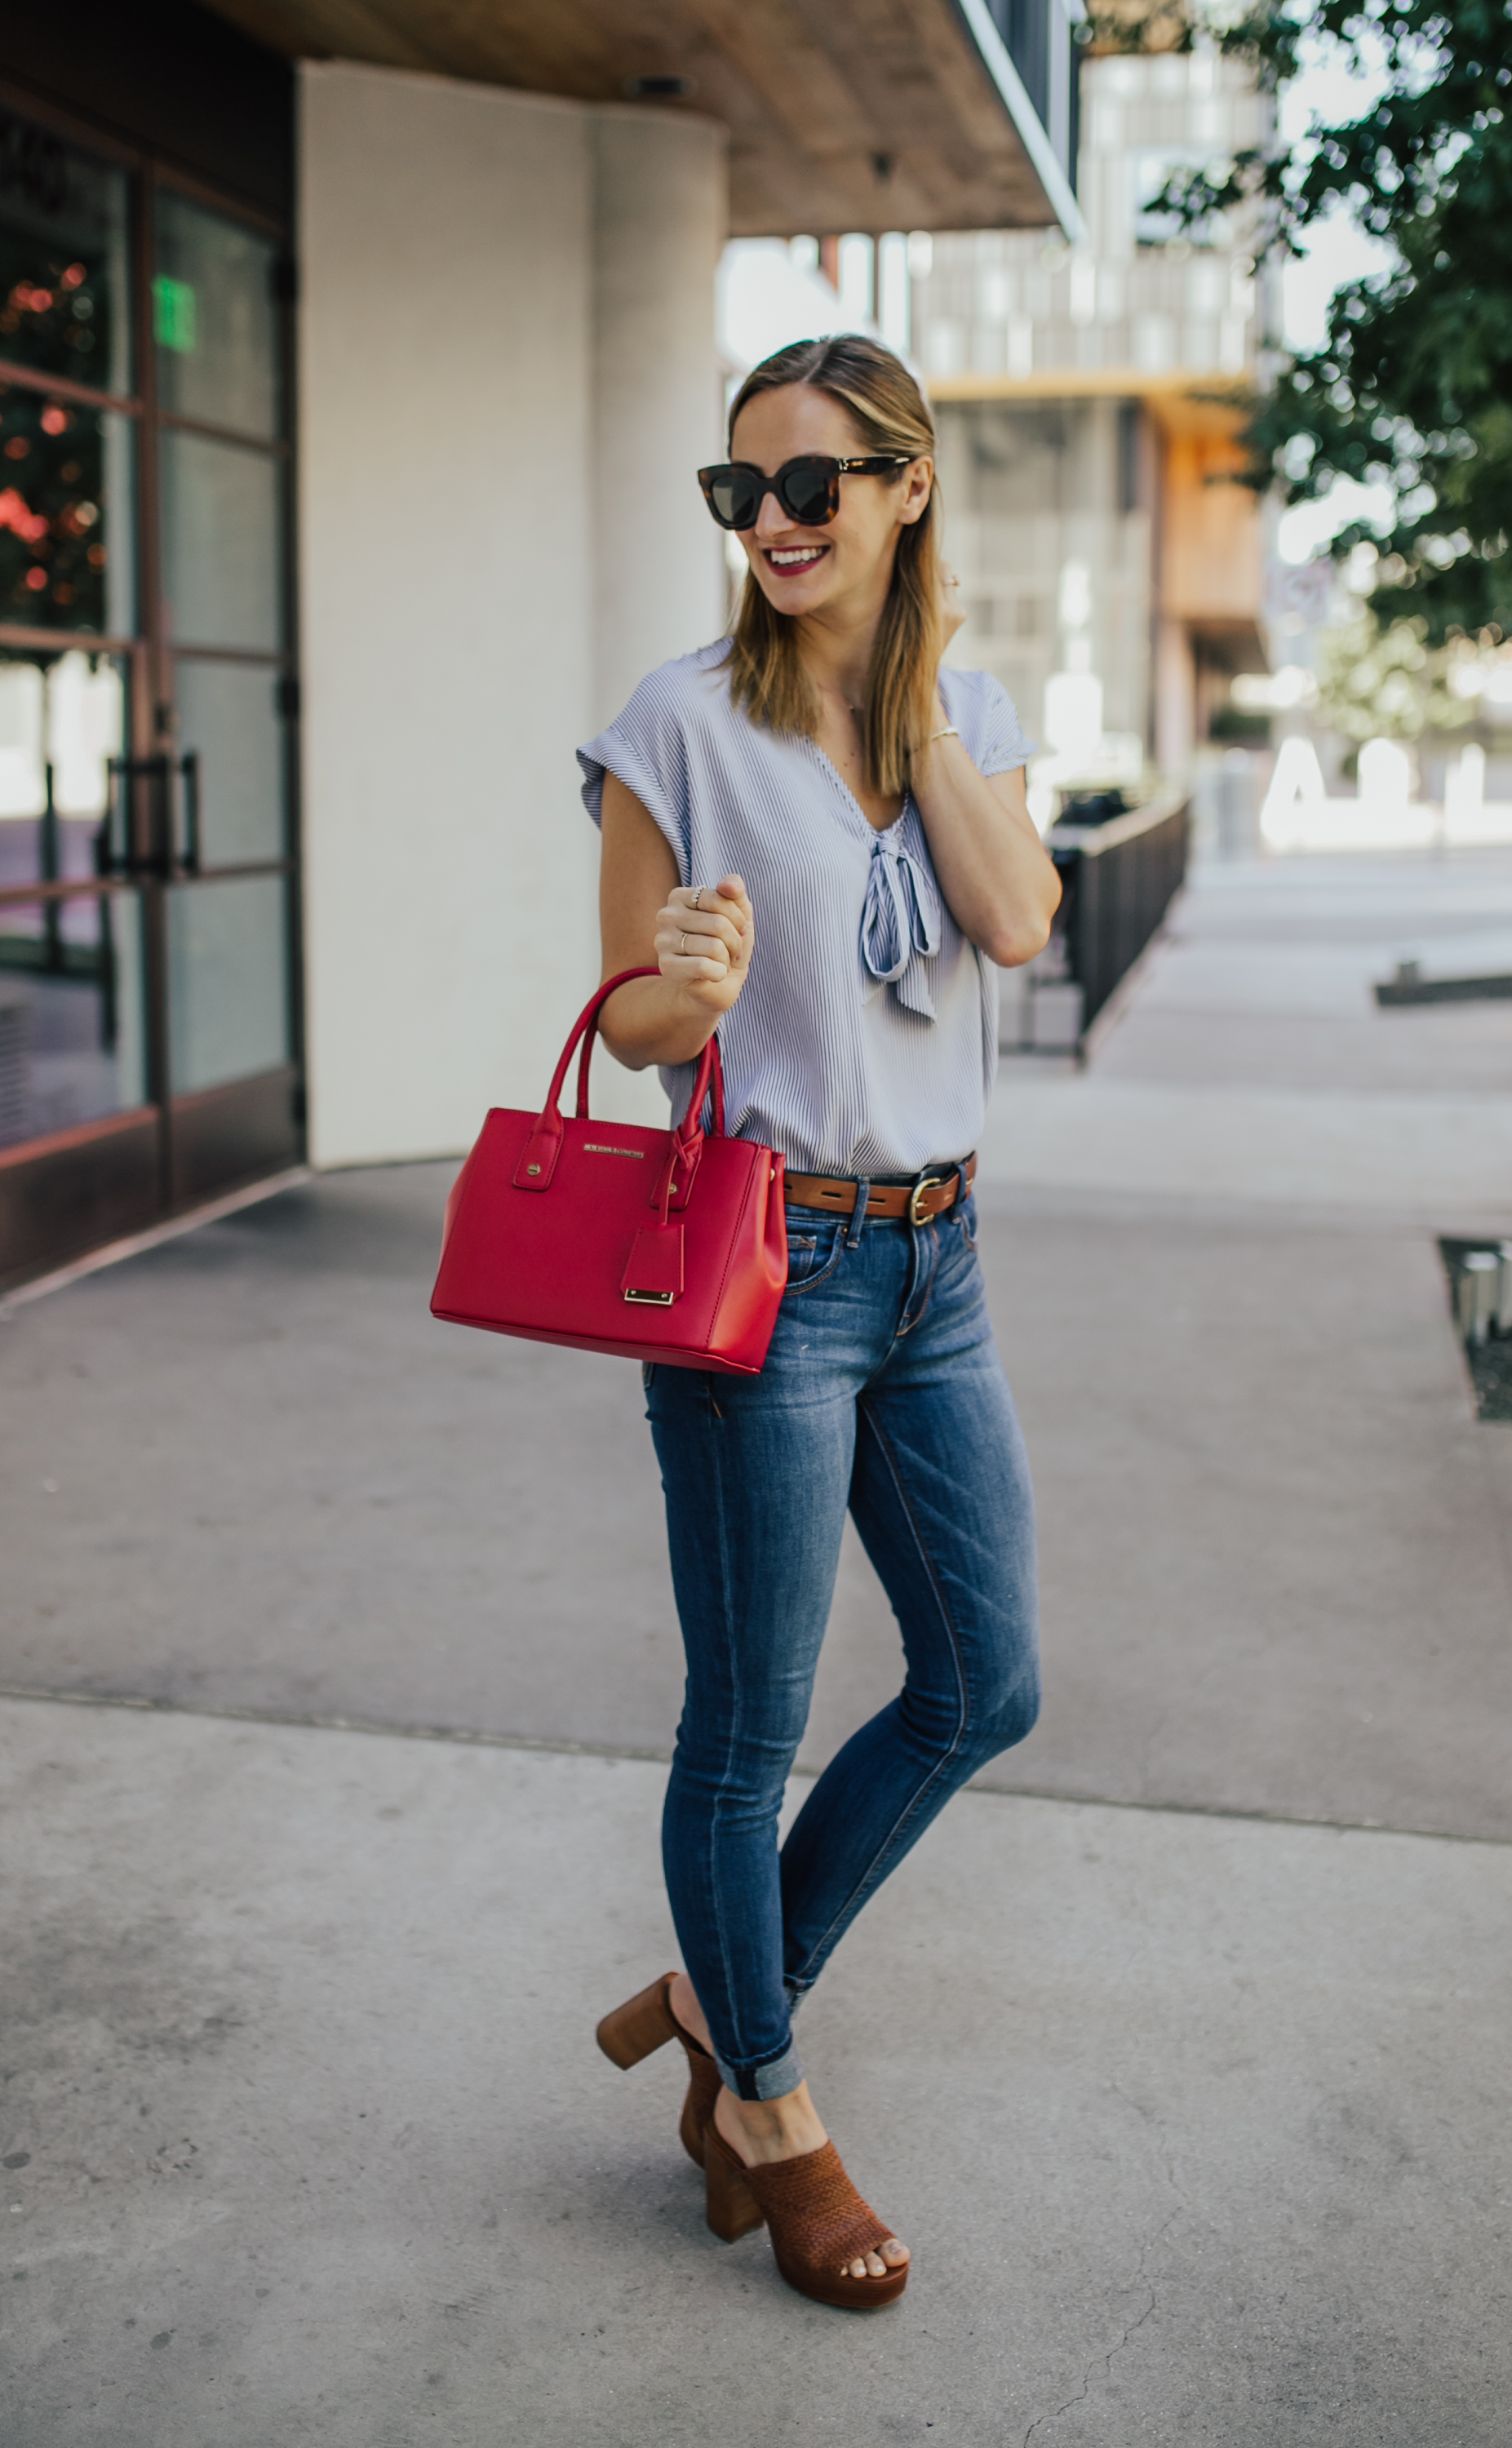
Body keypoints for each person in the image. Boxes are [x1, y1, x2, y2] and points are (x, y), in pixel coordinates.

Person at [580, 335, 1061, 2312]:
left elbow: (1015, 921)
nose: (772, 523)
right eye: (741, 492)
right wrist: (685, 983)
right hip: (759, 1274)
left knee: (986, 1680)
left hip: (935, 1262)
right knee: (748, 1722)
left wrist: (918, 712)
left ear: (906, 488)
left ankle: (713, 1998)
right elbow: (627, 1026)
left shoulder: (974, 704)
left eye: (814, 487)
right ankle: (766, 2105)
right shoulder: (675, 724)